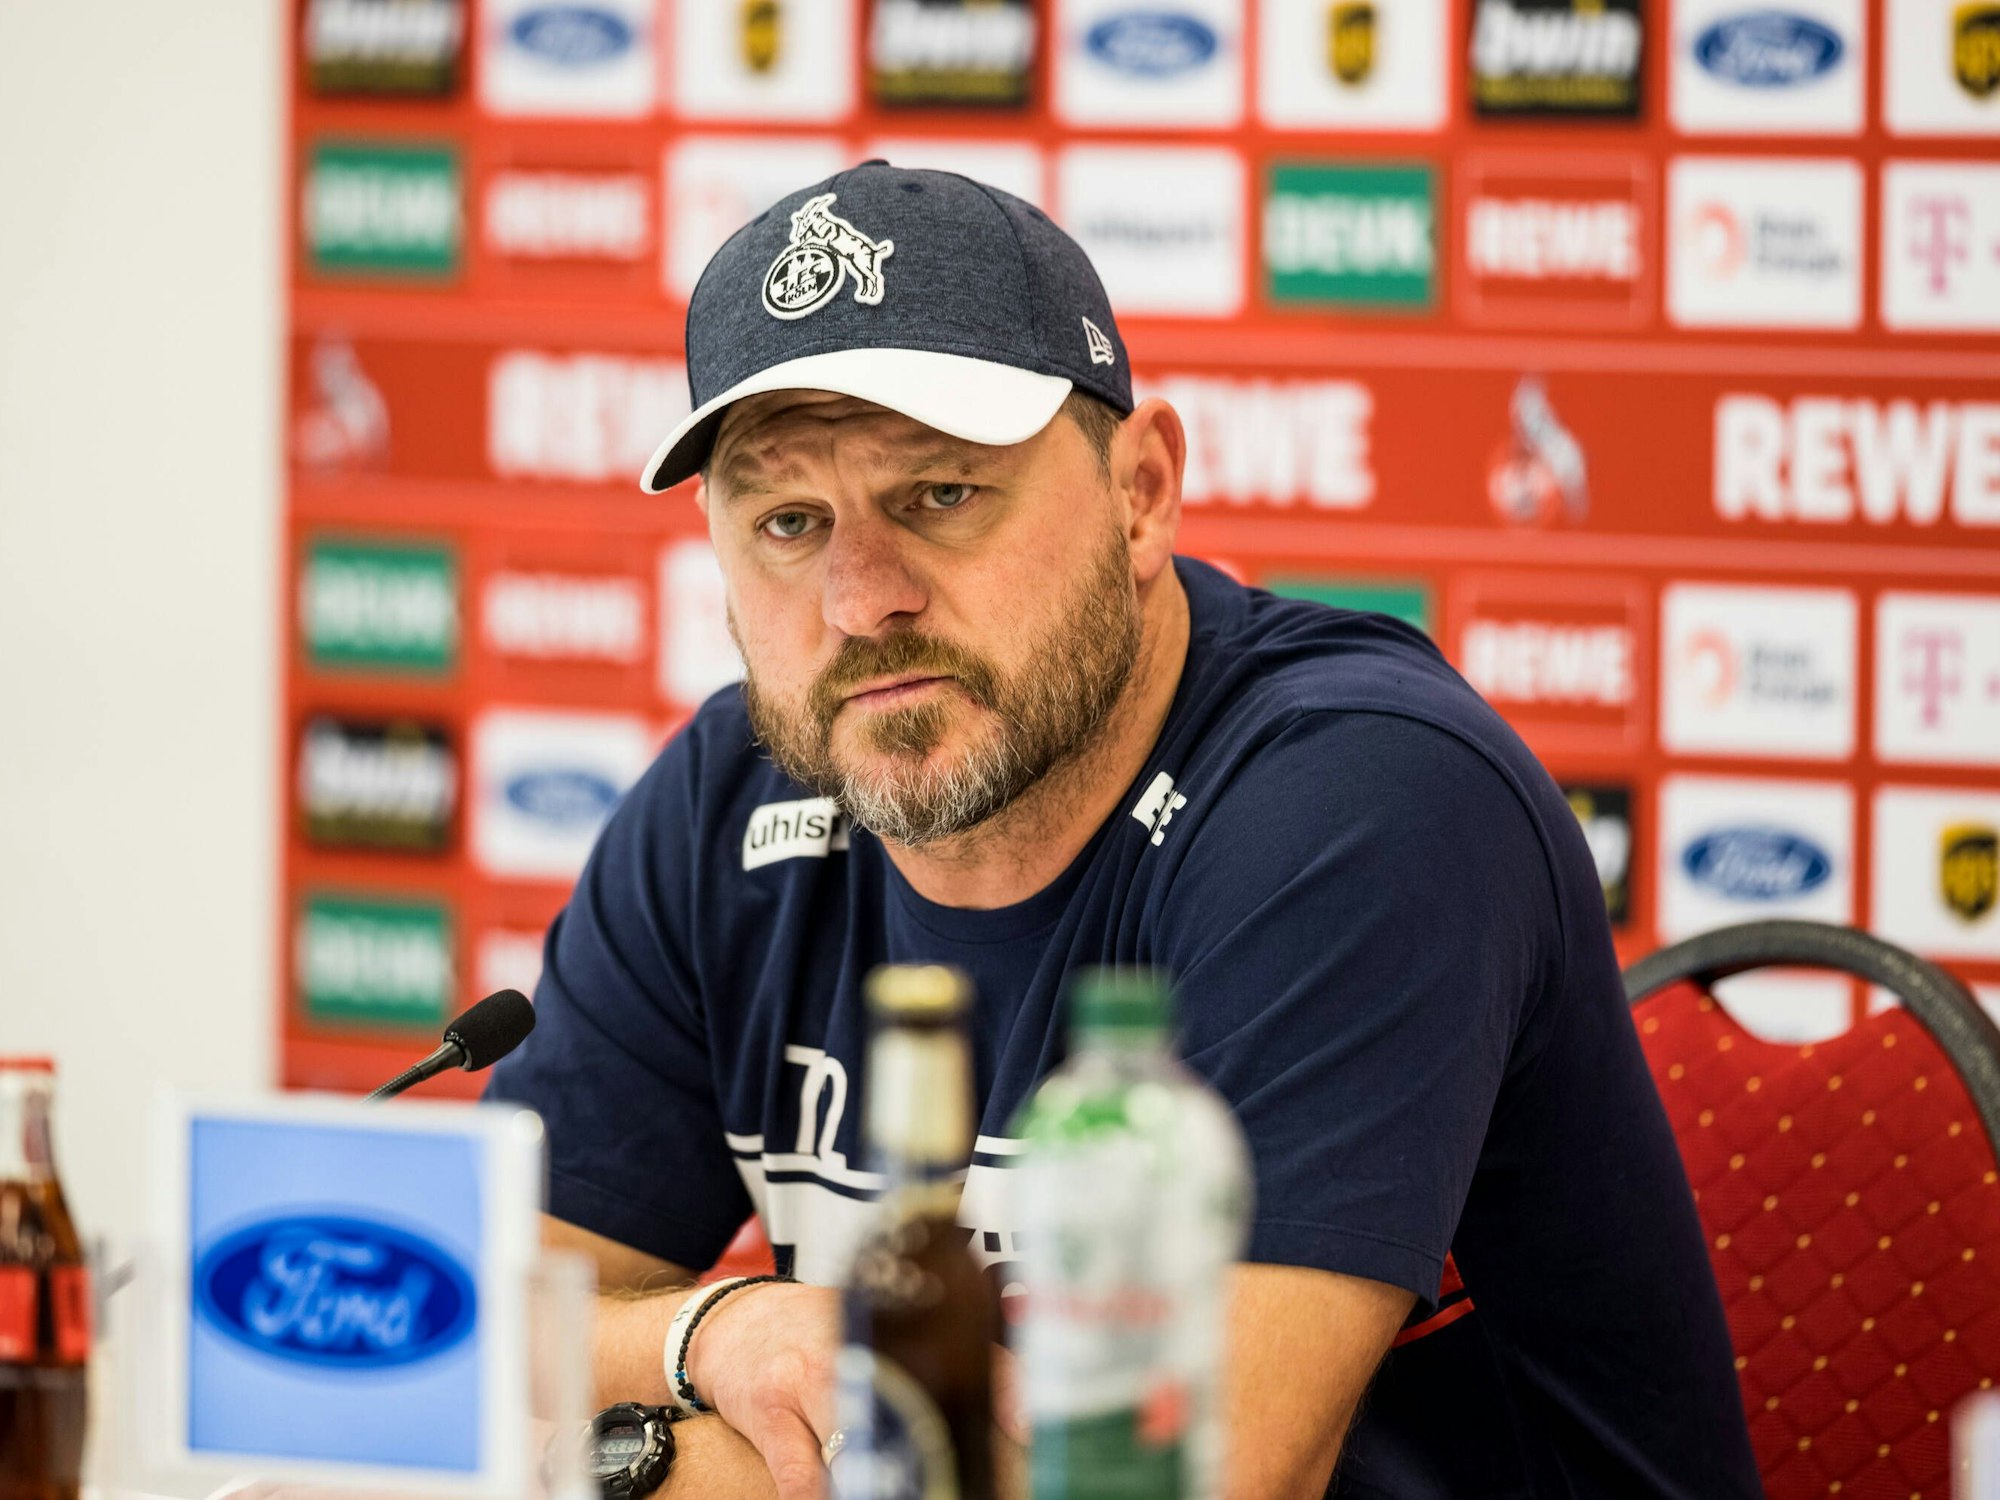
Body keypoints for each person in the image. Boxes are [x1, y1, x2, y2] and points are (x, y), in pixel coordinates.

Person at [486, 162, 1761, 1500]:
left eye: (940, 495)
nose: (862, 600)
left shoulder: (1363, 797)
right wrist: (711, 1332)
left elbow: (1188, 1479)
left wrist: (669, 1467)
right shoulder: (727, 806)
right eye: (791, 522)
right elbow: (475, 1324)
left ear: (1141, 490)